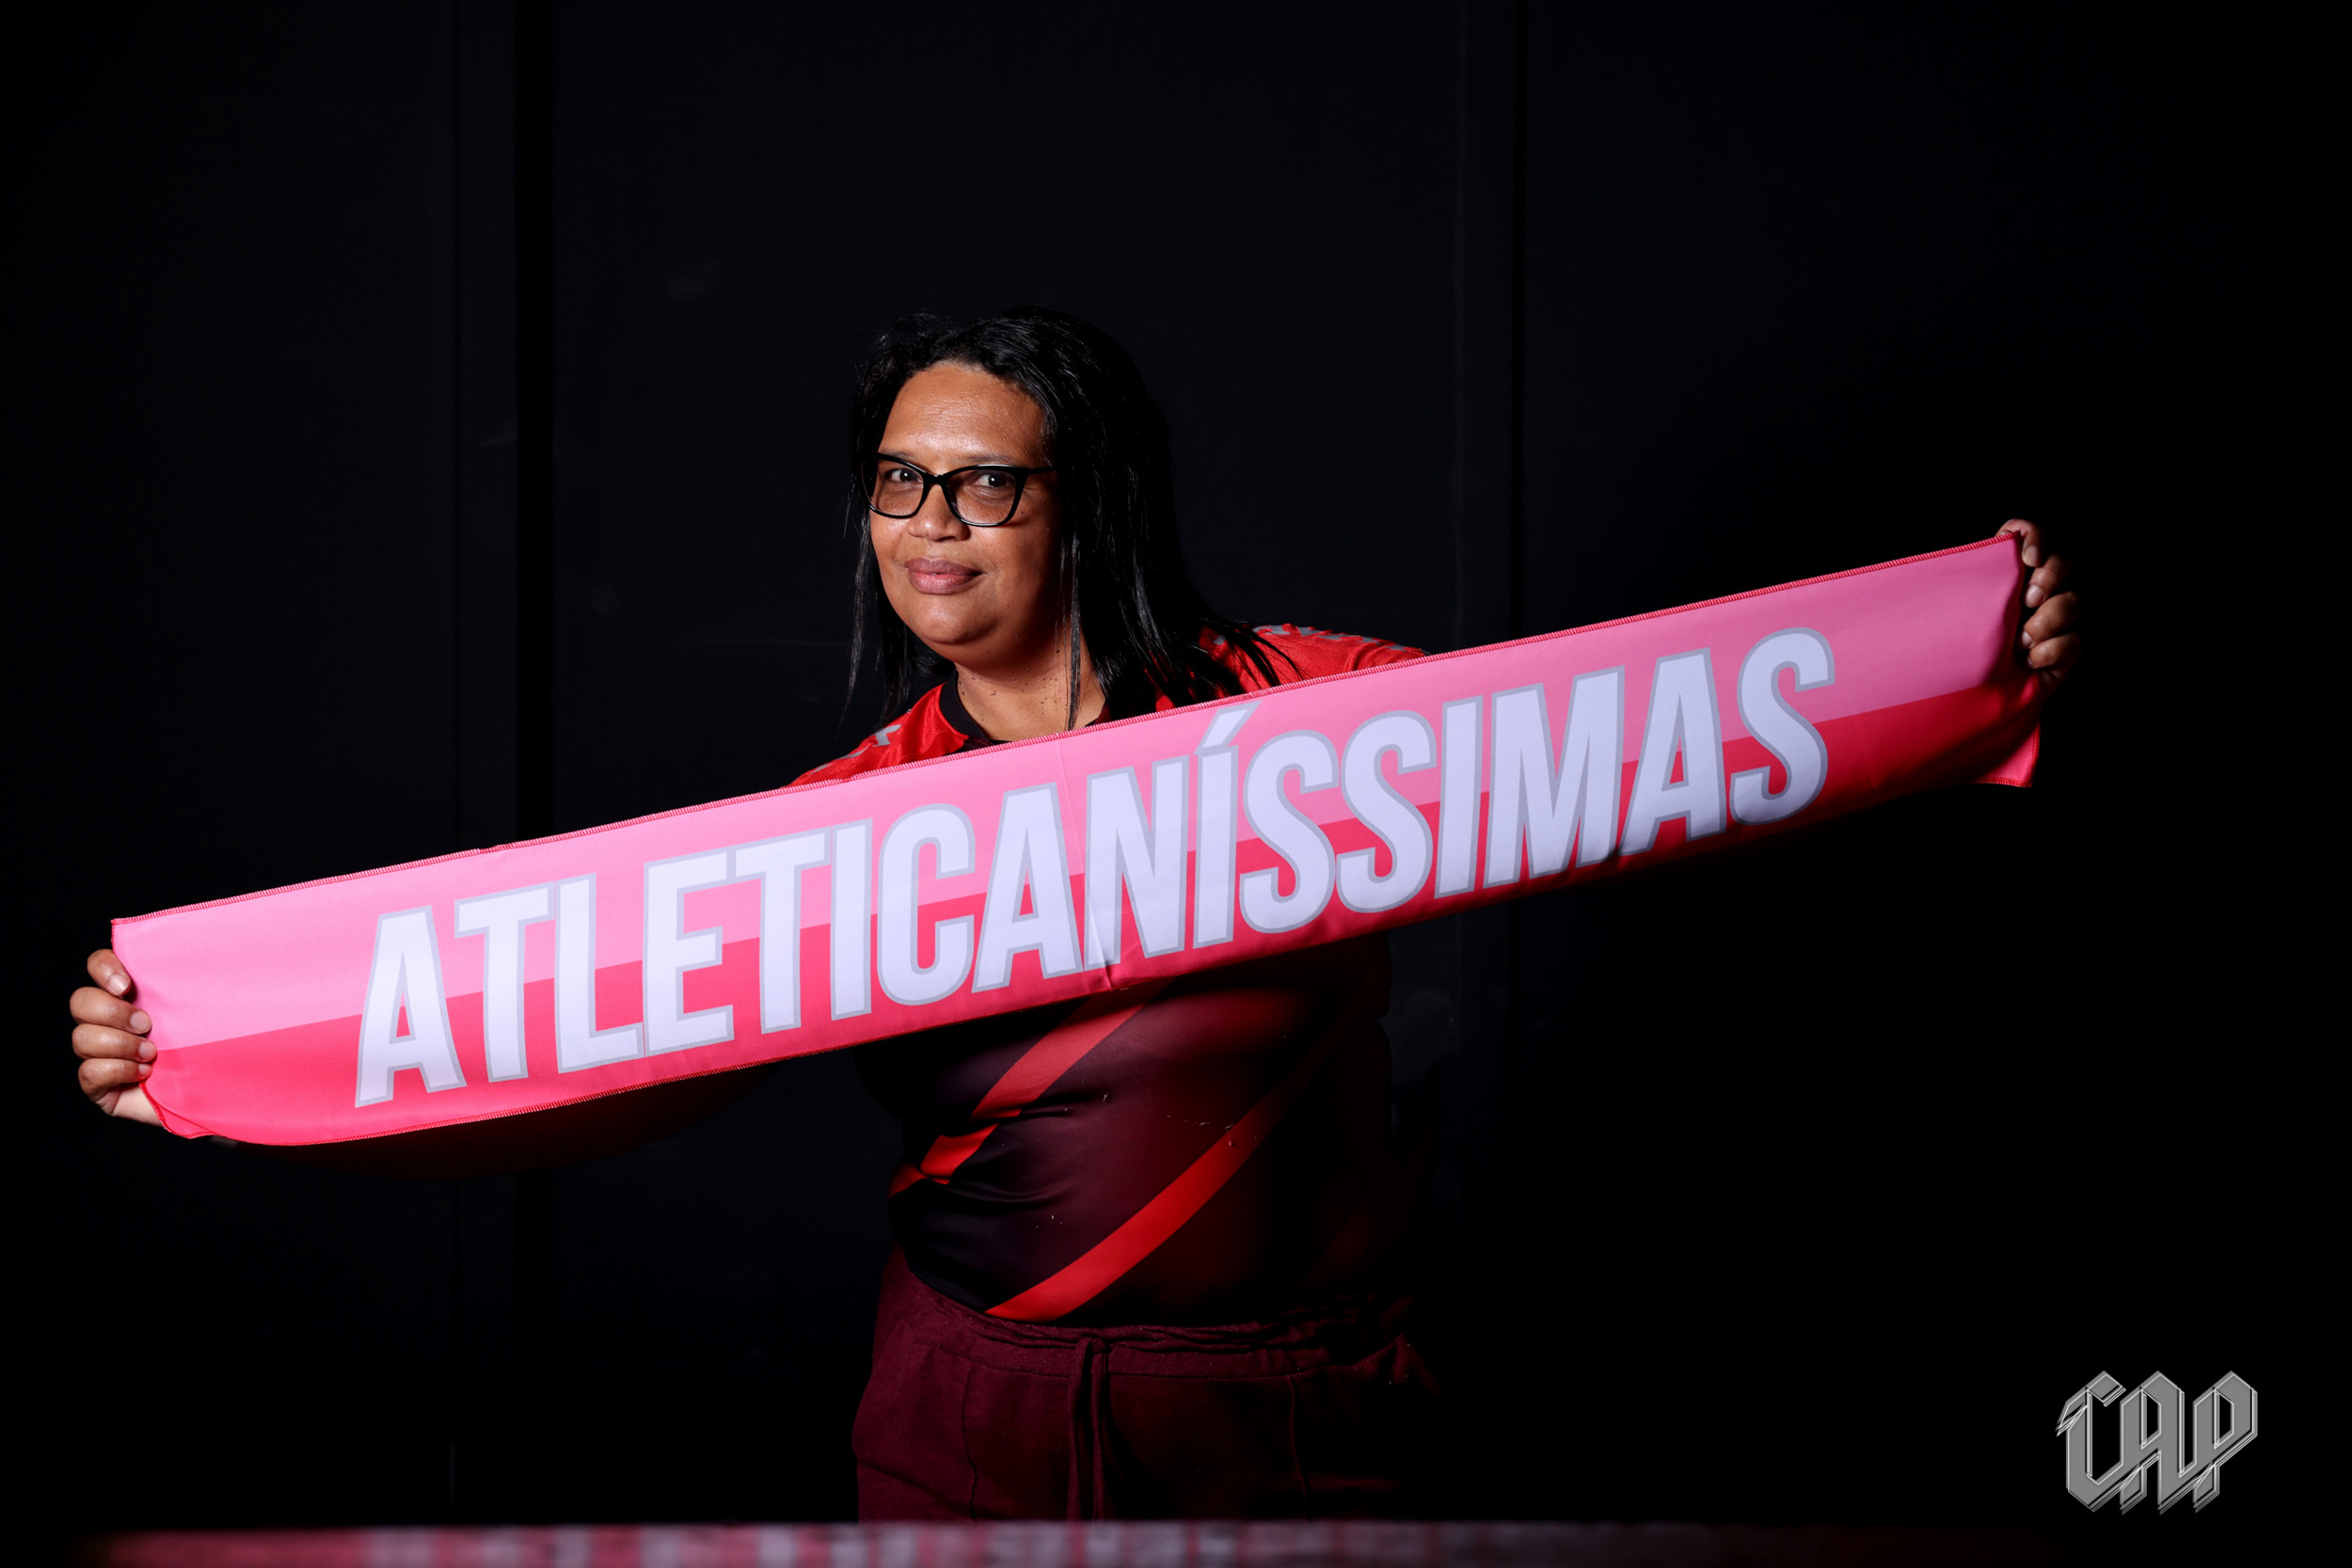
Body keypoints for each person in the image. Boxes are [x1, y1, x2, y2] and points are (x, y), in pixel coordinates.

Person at [67, 307, 2083, 1520]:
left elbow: (1652, 742)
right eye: (896, 484)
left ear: (1089, 501)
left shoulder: (1316, 720)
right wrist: (224, 1074)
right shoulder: (843, 834)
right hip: (972, 1426)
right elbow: (600, 1076)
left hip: (1304, 1417)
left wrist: (1962, 660)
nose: (927, 529)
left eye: (984, 485)